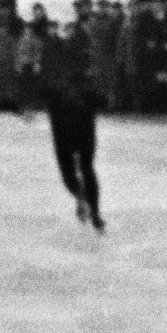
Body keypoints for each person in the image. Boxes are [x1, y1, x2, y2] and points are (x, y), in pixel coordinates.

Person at [45, 57, 106, 229]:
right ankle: (94, 211)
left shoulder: (55, 88)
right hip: (84, 134)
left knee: (69, 174)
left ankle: (82, 197)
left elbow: (43, 96)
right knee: (87, 169)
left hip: (63, 134)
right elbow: (103, 101)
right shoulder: (87, 88)